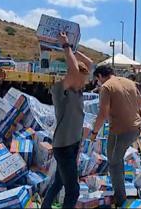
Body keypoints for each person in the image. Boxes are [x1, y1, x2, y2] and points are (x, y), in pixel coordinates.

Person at [42, 32, 93, 209]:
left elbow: (90, 64)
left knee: (58, 182)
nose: (84, 82)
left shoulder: (78, 92)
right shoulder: (60, 91)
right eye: (81, 78)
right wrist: (65, 46)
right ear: (74, 76)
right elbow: (73, 69)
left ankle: (45, 206)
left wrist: (74, 49)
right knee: (73, 191)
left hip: (72, 144)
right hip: (63, 146)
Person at [90, 65, 141, 207]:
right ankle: (118, 190)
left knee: (114, 163)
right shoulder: (129, 82)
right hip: (134, 128)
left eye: (97, 80)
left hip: (122, 130)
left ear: (100, 76)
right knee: (113, 157)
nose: (98, 83)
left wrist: (94, 133)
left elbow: (102, 114)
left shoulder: (106, 87)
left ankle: (120, 200)